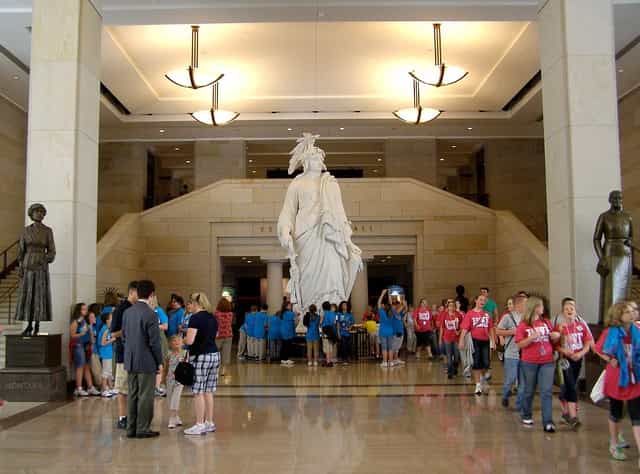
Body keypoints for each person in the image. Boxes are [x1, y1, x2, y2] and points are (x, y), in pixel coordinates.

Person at [594, 302, 640, 462]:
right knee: (616, 412)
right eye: (628, 311)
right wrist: (610, 359)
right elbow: (598, 348)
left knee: (637, 414)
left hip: (635, 376)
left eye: (634, 310)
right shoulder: (610, 332)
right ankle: (614, 443)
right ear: (619, 316)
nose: (633, 313)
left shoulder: (637, 330)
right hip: (617, 377)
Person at [122, 280, 163, 439]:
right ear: (152, 294)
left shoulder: (128, 312)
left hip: (130, 359)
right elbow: (154, 342)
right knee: (145, 395)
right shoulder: (150, 313)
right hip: (146, 361)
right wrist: (159, 361)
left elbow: (124, 337)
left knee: (132, 394)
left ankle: (131, 428)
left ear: (137, 293)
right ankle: (142, 428)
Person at [515, 296, 560, 432]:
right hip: (529, 362)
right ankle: (526, 413)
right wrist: (531, 338)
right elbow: (519, 344)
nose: (543, 308)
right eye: (540, 306)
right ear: (534, 307)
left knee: (546, 391)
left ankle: (548, 421)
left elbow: (553, 335)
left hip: (547, 361)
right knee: (529, 390)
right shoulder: (523, 325)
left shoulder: (546, 322)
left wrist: (556, 335)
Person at [183, 292, 220, 436]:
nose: (189, 307)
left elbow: (190, 340)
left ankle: (199, 424)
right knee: (209, 391)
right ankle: (209, 422)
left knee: (198, 391)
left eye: (190, 304)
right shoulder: (212, 317)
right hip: (214, 355)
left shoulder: (195, 318)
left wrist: (183, 340)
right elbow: (214, 335)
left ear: (196, 304)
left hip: (200, 356)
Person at [553, 297, 593, 429]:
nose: (569, 311)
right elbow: (555, 345)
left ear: (576, 311)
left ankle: (565, 407)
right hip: (565, 360)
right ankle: (573, 416)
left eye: (572, 308)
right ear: (563, 312)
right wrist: (564, 350)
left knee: (572, 383)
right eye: (566, 309)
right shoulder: (560, 327)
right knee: (570, 385)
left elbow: (588, 342)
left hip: (578, 358)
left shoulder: (581, 325)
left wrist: (580, 353)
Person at [111, 281, 138, 429]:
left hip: (136, 353)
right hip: (123, 353)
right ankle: (122, 417)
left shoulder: (137, 308)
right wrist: (128, 329)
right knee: (122, 387)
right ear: (132, 292)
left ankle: (133, 415)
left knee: (133, 387)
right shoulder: (121, 309)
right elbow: (114, 332)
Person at [459, 294, 496, 395]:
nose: (482, 301)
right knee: (476, 363)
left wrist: (493, 341)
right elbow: (465, 329)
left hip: (485, 341)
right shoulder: (470, 314)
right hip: (474, 341)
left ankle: (482, 377)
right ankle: (478, 385)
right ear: (476, 301)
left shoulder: (487, 314)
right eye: (480, 299)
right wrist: (461, 341)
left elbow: (491, 328)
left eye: (484, 300)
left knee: (486, 363)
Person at [496, 293, 526, 409]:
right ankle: (505, 394)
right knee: (511, 378)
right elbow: (498, 331)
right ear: (518, 305)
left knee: (522, 381)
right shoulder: (508, 317)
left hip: (525, 354)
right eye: (525, 304)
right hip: (511, 353)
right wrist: (512, 332)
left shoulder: (527, 318)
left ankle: (520, 404)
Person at [69, 303, 100, 397]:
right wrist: (81, 334)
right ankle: (78, 388)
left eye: (86, 309)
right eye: (83, 309)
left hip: (86, 344)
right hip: (78, 344)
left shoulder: (84, 321)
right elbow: (72, 335)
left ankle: (90, 386)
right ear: (79, 310)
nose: (85, 311)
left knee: (87, 366)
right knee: (80, 365)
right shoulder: (75, 321)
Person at [149, 295, 169, 397]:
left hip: (159, 338)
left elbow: (165, 326)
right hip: (147, 338)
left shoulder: (159, 310)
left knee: (159, 362)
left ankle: (156, 387)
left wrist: (153, 326)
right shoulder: (144, 310)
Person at [440, 300, 463, 379]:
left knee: (456, 356)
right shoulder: (444, 315)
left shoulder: (458, 315)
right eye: (450, 306)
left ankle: (455, 367)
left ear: (455, 307)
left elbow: (463, 326)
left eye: (453, 306)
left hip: (456, 338)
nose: (451, 307)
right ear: (448, 307)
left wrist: (459, 331)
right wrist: (440, 339)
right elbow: (442, 328)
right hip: (447, 338)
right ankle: (450, 372)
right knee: (449, 355)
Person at [166, 335, 184, 429]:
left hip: (179, 380)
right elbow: (166, 366)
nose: (176, 343)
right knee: (170, 398)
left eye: (178, 341)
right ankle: (176, 416)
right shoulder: (169, 354)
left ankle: (172, 418)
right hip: (169, 379)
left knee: (175, 398)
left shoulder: (184, 354)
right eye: (174, 341)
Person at [213, 298, 233, 375]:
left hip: (218, 335)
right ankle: (224, 371)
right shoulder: (230, 314)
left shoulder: (216, 314)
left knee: (216, 353)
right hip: (228, 335)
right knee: (226, 353)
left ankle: (216, 369)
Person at [98, 310, 116, 398]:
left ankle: (110, 387)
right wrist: (111, 340)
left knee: (109, 371)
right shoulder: (105, 329)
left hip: (109, 353)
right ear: (107, 320)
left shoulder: (108, 329)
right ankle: (104, 389)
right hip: (105, 354)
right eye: (111, 318)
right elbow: (102, 343)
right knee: (105, 371)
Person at [377, 289, 395, 368]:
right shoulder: (392, 312)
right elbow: (391, 304)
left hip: (383, 332)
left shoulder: (381, 312)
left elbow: (378, 303)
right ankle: (391, 362)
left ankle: (384, 362)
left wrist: (382, 294)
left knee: (384, 347)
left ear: (384, 307)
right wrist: (389, 294)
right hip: (390, 332)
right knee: (390, 347)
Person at [321, 301, 338, 367]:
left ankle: (327, 362)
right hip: (331, 331)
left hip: (325, 331)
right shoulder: (333, 313)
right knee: (330, 347)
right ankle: (330, 361)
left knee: (326, 347)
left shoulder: (323, 313)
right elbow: (334, 322)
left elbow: (321, 322)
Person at [390, 299, 407, 366]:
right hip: (395, 332)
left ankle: (396, 359)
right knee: (394, 346)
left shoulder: (400, 313)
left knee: (398, 347)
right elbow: (397, 311)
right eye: (396, 305)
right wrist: (402, 305)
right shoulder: (393, 312)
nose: (397, 306)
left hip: (401, 331)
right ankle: (392, 360)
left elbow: (405, 310)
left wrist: (405, 304)